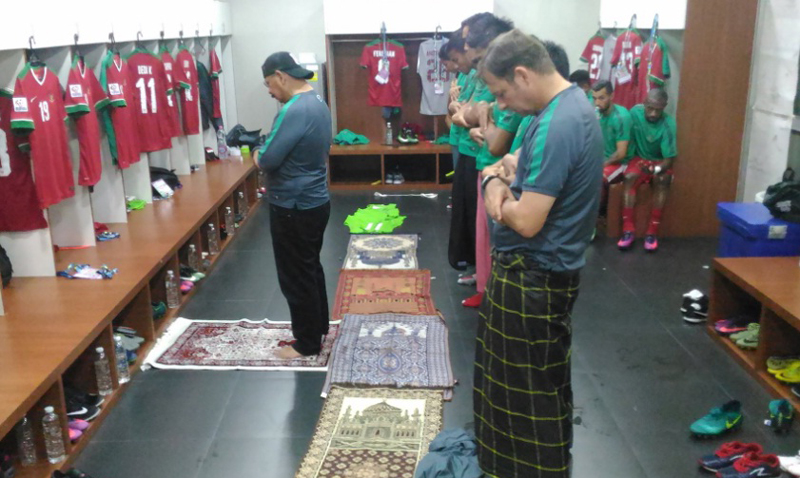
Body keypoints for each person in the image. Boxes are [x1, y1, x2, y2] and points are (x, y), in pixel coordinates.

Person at [476, 29, 603, 478]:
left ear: (523, 74)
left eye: (502, 93)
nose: (502, 105)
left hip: (532, 276)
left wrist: (493, 184)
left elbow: (526, 219)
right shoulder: (566, 109)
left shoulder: (559, 121)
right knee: (534, 386)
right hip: (542, 273)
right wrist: (506, 172)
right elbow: (517, 167)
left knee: (523, 392)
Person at [253, 52, 332, 359]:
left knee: (295, 275)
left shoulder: (293, 109)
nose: (270, 91)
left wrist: (256, 153)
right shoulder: (319, 103)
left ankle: (307, 343)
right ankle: (318, 327)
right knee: (310, 267)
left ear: (281, 76)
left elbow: (269, 159)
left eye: (269, 84)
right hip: (315, 201)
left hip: (293, 205)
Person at [453, 13, 516, 308]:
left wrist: (481, 119)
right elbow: (458, 113)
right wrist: (476, 116)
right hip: (483, 164)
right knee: (484, 231)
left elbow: (498, 141)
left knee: (496, 233)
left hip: (499, 170)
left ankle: (491, 288)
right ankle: (485, 283)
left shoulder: (515, 96)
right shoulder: (480, 82)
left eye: (475, 56)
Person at [617, 87, 677, 252]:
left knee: (663, 180)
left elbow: (669, 160)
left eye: (657, 110)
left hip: (659, 161)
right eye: (649, 108)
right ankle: (627, 230)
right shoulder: (634, 114)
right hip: (639, 159)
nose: (652, 113)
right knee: (629, 177)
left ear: (664, 107)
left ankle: (652, 232)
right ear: (644, 103)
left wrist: (656, 170)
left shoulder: (668, 123)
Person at [593, 80, 632, 214]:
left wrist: (601, 164)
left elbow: (621, 153)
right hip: (602, 159)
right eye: (594, 98)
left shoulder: (620, 117)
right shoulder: (597, 114)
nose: (597, 103)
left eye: (601, 98)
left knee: (596, 178)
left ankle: (596, 218)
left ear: (611, 96)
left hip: (620, 163)